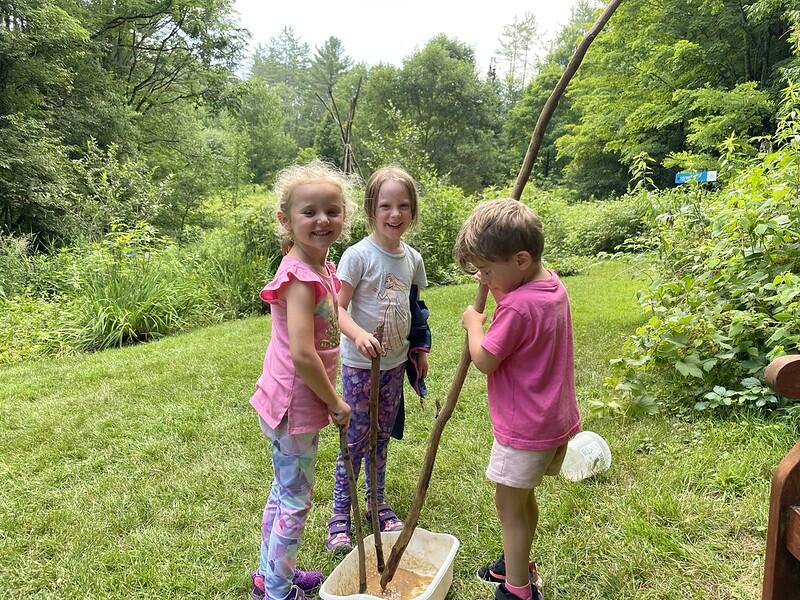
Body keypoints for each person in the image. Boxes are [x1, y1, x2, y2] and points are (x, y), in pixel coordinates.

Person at [454, 198, 581, 600]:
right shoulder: (551, 285)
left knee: (508, 507)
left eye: (488, 270)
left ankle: (517, 590)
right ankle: (518, 563)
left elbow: (486, 359)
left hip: (523, 429)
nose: (483, 278)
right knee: (522, 500)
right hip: (552, 422)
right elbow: (513, 303)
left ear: (521, 260)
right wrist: (494, 283)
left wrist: (475, 324)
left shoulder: (518, 309)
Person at [249, 161, 355, 600]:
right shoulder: (298, 278)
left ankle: (270, 573)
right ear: (286, 220)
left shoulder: (319, 269)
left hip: (292, 403)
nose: (322, 220)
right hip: (295, 405)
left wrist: (358, 334)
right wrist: (336, 403)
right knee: (295, 500)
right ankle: (277, 590)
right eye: (309, 212)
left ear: (343, 218)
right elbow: (303, 354)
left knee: (283, 490)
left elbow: (333, 320)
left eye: (332, 211)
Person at [325, 166, 429, 553]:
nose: (395, 214)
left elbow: (417, 310)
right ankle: (340, 513)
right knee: (355, 439)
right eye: (386, 205)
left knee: (381, 436)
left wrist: (419, 352)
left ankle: (375, 502)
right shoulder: (358, 256)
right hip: (359, 365)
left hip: (394, 366)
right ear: (372, 209)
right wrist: (358, 334)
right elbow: (337, 309)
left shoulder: (413, 259)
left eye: (403, 205)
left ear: (412, 210)